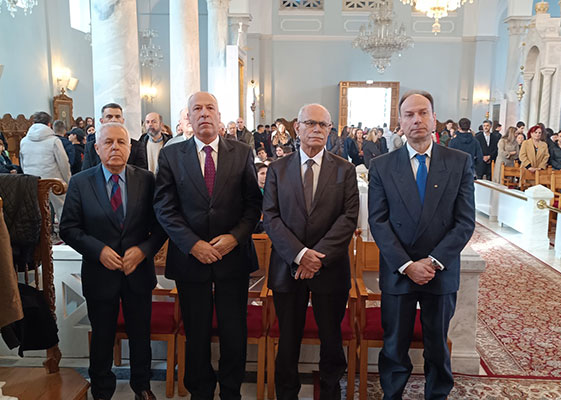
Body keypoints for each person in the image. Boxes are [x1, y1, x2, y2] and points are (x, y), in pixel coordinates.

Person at [153, 91, 262, 399]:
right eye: (197, 109)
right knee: (196, 331)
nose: (204, 113)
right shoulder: (172, 155)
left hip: (233, 257)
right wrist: (192, 244)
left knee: (234, 332)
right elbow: (164, 207)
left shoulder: (242, 152)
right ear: (188, 117)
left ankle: (231, 391)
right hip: (191, 259)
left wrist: (234, 237)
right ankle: (200, 391)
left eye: (209, 108)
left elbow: (253, 205)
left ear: (218, 114)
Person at [368, 90, 475, 400]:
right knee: (394, 346)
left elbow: (465, 221)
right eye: (409, 115)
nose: (417, 120)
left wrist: (433, 261)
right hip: (399, 270)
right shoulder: (382, 165)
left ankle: (437, 395)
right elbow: (378, 222)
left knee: (437, 346)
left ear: (434, 118)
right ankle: (392, 395)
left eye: (423, 113)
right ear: (400, 122)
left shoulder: (459, 162)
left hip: (439, 271)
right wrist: (407, 265)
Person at [60, 123, 165, 400]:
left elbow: (161, 227)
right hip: (100, 274)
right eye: (108, 142)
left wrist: (143, 251)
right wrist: (99, 251)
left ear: (130, 148)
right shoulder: (81, 182)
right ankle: (102, 390)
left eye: (121, 142)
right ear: (97, 148)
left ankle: (142, 386)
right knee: (102, 336)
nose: (115, 147)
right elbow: (69, 228)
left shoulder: (147, 180)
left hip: (137, 272)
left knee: (140, 335)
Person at [263, 103, 359, 400]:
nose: (316, 129)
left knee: (331, 340)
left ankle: (330, 393)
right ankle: (286, 394)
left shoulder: (345, 169)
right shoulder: (277, 169)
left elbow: (348, 218)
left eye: (323, 124)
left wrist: (316, 257)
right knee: (288, 340)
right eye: (310, 123)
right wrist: (300, 254)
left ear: (330, 130)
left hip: (329, 269)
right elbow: (271, 217)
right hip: (288, 268)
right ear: (297, 128)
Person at [19, 111, 71, 222]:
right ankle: (65, 229)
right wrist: (67, 180)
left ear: (33, 123)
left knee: (38, 210)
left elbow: (22, 163)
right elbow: (63, 163)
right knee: (62, 207)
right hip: (53, 181)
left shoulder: (24, 141)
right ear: (49, 124)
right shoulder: (54, 141)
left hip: (32, 181)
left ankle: (42, 231)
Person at [82, 103, 147, 170]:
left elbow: (141, 174)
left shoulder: (137, 146)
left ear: (122, 121)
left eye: (117, 117)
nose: (114, 120)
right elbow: (86, 174)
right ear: (102, 121)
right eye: (109, 117)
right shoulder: (90, 147)